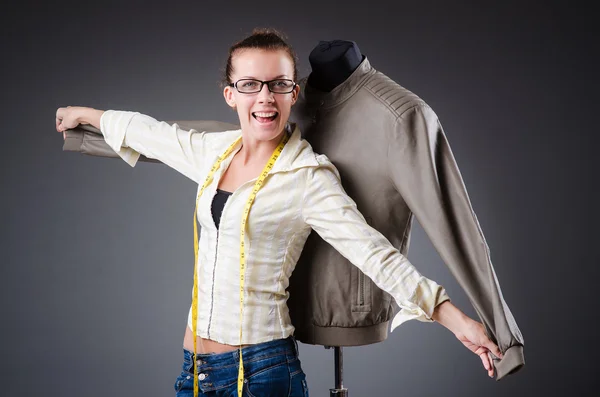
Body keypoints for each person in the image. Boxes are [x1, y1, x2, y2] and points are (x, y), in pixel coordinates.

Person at [55, 29, 503, 396]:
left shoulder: (308, 175)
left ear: (294, 92)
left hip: (262, 373)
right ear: (231, 95)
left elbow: (374, 254)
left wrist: (454, 318)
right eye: (250, 85)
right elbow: (151, 133)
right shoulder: (214, 152)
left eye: (278, 84)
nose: (264, 98)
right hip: (193, 375)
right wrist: (85, 113)